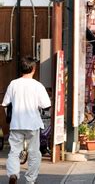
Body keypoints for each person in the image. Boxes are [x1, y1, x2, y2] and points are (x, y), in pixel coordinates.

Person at [2, 56, 51, 184]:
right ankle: (30, 180)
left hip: (16, 123)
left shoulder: (13, 84)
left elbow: (5, 103)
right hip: (32, 124)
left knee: (14, 152)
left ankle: (13, 174)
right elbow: (46, 105)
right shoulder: (37, 85)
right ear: (34, 69)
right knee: (34, 153)